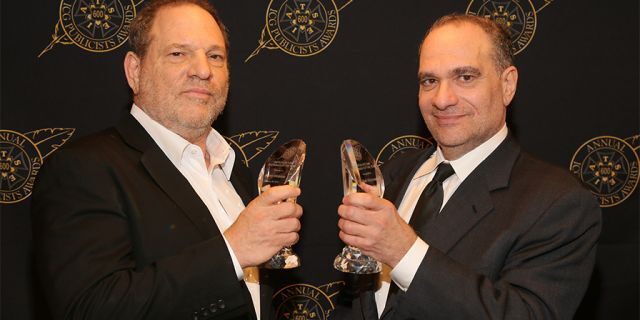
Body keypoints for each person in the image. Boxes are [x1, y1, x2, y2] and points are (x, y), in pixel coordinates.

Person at [31, 0, 302, 319]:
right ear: (135, 70)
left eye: (215, 56)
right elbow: (90, 308)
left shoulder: (233, 172)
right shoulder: (83, 170)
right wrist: (232, 252)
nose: (203, 70)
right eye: (178, 53)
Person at [336, 14, 601, 319]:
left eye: (465, 77)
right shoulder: (394, 174)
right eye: (429, 81)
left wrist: (404, 252)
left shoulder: (559, 204)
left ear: (507, 85)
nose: (442, 99)